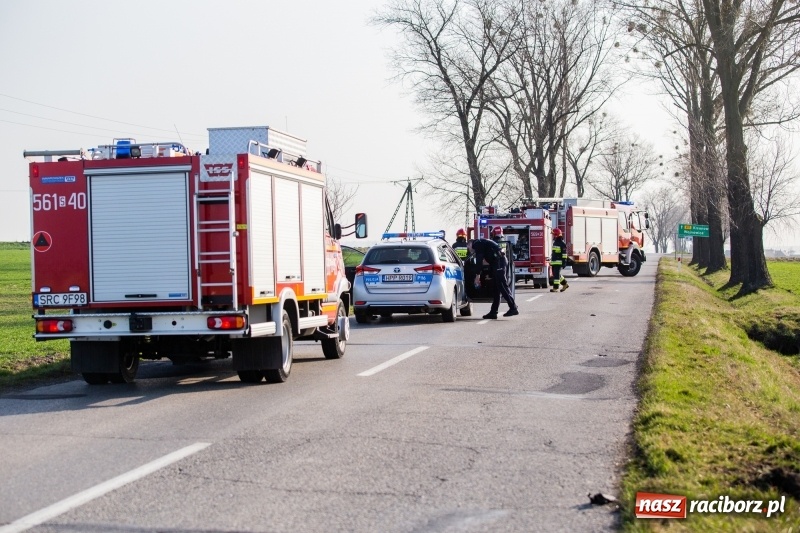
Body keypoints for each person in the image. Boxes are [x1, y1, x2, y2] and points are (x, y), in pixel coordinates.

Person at [467, 238, 518, 319]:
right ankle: (493, 312)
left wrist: (477, 275)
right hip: (497, 262)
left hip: (499, 262)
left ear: (470, 244)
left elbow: (479, 261)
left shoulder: (477, 244)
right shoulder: (482, 242)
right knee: (496, 288)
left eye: (468, 248)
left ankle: (513, 307)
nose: (469, 250)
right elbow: (488, 257)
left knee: (502, 285)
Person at [550, 227, 569, 292]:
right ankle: (565, 284)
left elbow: (564, 254)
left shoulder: (562, 243)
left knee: (556, 275)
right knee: (556, 274)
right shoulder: (555, 242)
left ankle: (555, 288)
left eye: (553, 234)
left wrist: (564, 262)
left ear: (556, 235)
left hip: (559, 262)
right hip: (554, 262)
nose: (553, 236)